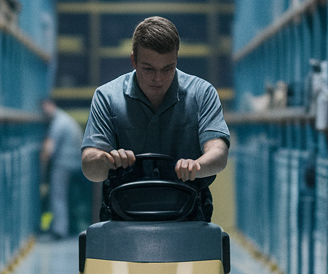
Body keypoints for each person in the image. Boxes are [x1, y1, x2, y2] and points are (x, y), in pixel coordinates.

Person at [81, 16, 230, 220]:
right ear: (133, 60)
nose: (158, 79)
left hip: (188, 213)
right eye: (148, 69)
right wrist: (106, 160)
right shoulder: (107, 97)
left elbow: (219, 153)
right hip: (123, 214)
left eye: (167, 69)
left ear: (176, 59)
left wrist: (197, 166)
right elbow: (90, 168)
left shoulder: (202, 94)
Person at [40, 98, 83, 239]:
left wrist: (42, 168)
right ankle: (66, 227)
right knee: (66, 197)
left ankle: (59, 230)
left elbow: (49, 148)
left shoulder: (58, 122)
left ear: (50, 105)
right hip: (74, 163)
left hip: (63, 164)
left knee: (57, 196)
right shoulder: (65, 118)